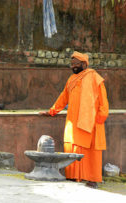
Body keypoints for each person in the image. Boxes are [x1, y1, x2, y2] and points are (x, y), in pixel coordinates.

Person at [39, 51, 109, 188]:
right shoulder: (71, 79)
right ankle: (73, 177)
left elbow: (103, 101)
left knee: (91, 152)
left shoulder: (94, 77)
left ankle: (92, 179)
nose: (73, 66)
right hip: (73, 122)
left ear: (84, 64)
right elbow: (63, 98)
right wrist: (52, 111)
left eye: (76, 64)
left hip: (91, 122)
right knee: (72, 148)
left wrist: (100, 119)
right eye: (72, 64)